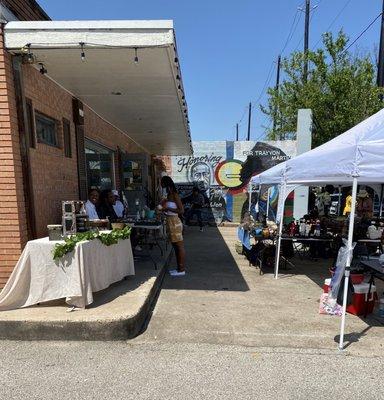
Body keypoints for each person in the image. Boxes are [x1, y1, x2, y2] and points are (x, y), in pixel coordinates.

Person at [160, 176, 186, 276]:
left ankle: (182, 269)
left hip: (175, 222)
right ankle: (178, 268)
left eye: (161, 182)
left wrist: (168, 209)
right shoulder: (169, 194)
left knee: (179, 246)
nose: (160, 184)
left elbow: (181, 210)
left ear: (166, 183)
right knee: (175, 246)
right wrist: (165, 209)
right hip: (170, 221)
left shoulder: (174, 195)